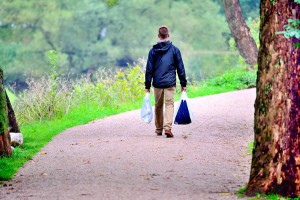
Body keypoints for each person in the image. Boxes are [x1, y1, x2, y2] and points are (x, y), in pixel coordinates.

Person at [145, 25, 187, 138]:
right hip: (170, 83)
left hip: (157, 84)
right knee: (169, 105)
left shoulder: (153, 51)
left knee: (158, 105)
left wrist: (147, 85)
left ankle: (159, 129)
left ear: (158, 36)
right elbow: (180, 68)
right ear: (168, 35)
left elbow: (149, 69)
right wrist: (183, 83)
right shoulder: (175, 50)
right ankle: (167, 128)